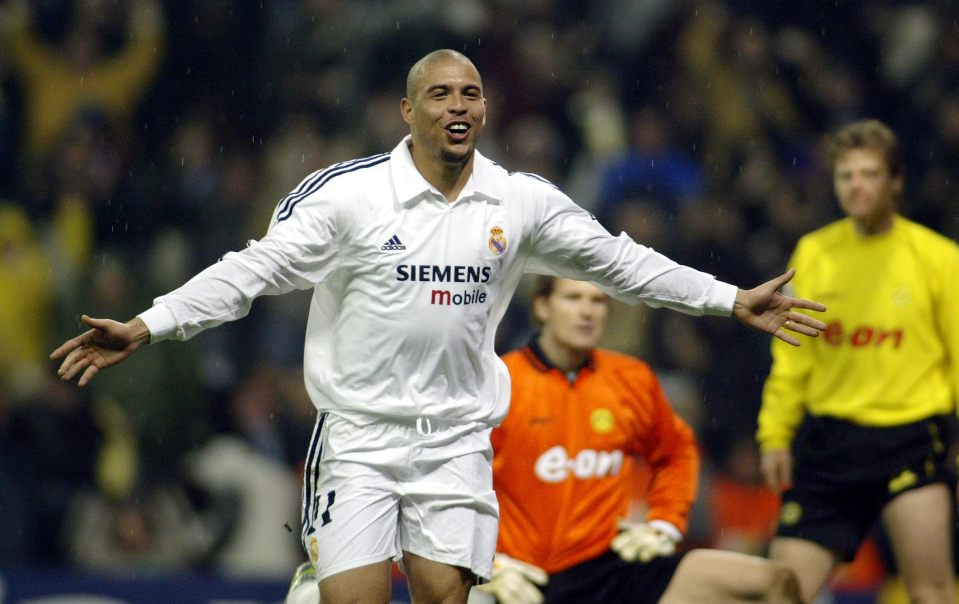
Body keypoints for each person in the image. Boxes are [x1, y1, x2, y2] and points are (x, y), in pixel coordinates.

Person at [52, 49, 826, 604]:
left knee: (441, 598)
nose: (459, 106)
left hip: (454, 440)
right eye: (441, 95)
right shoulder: (348, 197)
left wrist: (729, 299)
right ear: (408, 110)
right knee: (354, 600)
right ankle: (320, 576)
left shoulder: (516, 200)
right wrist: (149, 325)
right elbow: (251, 271)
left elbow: (619, 262)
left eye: (472, 93)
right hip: (358, 432)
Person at [466, 276, 801, 604]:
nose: (588, 311)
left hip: (614, 566)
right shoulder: (499, 384)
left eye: (597, 301)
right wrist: (483, 563)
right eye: (573, 298)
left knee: (774, 583)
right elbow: (454, 481)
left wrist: (665, 523)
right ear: (541, 307)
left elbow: (676, 451)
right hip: (526, 580)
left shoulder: (630, 378)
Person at [757, 119, 959, 604]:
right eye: (846, 176)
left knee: (931, 591)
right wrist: (774, 434)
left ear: (895, 182)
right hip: (831, 444)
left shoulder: (937, 257)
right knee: (779, 593)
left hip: (912, 437)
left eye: (869, 174)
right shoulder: (815, 252)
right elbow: (791, 355)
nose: (857, 185)